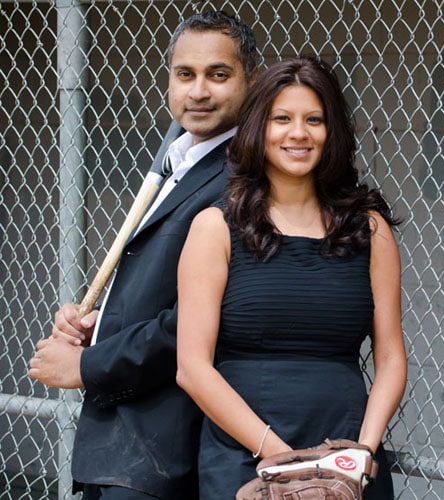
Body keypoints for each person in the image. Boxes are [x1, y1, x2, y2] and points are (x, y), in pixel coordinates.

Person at [28, 11, 258, 499]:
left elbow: (199, 322)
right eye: (185, 74)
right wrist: (104, 323)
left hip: (163, 446)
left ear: (251, 81)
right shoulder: (182, 160)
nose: (198, 91)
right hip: (121, 443)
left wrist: (87, 366)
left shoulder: (242, 182)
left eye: (218, 75)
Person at [175, 56, 408, 499]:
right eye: (282, 118)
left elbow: (392, 358)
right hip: (247, 456)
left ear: (331, 131)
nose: (298, 133)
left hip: (346, 459)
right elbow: (192, 368)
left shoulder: (369, 228)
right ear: (258, 128)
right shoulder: (215, 228)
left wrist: (358, 455)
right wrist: (289, 465)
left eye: (313, 120)